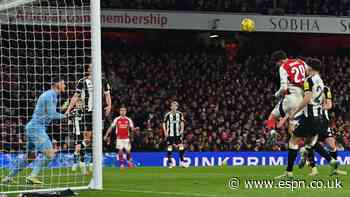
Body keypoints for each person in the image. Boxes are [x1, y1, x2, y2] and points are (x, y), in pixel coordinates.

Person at [276, 58, 338, 179]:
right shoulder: (321, 81)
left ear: (310, 67)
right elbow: (324, 102)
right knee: (311, 143)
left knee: (293, 140)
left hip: (310, 117)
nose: (305, 68)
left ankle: (289, 172)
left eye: (306, 66)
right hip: (319, 118)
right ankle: (330, 160)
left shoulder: (308, 80)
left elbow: (307, 98)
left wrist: (295, 111)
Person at [2, 78, 68, 184]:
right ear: (57, 84)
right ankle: (32, 176)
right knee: (50, 154)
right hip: (36, 128)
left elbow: (50, 114)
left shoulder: (53, 96)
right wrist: (66, 115)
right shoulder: (48, 95)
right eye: (63, 83)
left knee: (30, 157)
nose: (65, 85)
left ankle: (8, 177)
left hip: (33, 127)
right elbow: (52, 115)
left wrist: (64, 112)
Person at [66, 64, 111, 173]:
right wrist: (68, 109)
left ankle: (91, 163)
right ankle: (81, 161)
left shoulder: (103, 80)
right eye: (91, 67)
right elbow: (75, 96)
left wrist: (109, 105)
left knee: (97, 138)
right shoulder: (82, 81)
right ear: (88, 70)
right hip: (88, 113)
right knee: (87, 139)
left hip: (99, 113)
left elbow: (107, 95)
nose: (93, 68)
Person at [299, 85, 347, 176]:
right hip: (311, 121)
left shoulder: (325, 89)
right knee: (311, 144)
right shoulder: (306, 91)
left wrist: (318, 107)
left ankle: (334, 170)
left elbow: (329, 105)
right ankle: (314, 169)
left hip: (324, 122)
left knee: (332, 145)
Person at [163, 101, 186, 168]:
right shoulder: (167, 115)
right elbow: (164, 123)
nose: (174, 107)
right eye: (172, 106)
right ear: (170, 107)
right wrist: (165, 131)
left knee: (181, 146)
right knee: (170, 147)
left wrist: (182, 130)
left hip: (178, 134)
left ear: (177, 107)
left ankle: (182, 162)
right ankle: (170, 163)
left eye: (175, 106)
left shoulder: (180, 114)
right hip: (170, 134)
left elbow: (182, 122)